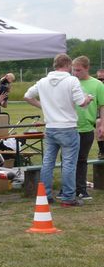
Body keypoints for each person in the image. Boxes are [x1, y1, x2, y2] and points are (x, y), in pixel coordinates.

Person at [24, 53, 93, 206]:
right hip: (68, 127)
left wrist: (44, 106)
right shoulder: (72, 80)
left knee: (48, 163)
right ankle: (68, 197)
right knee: (69, 164)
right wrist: (88, 99)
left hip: (50, 127)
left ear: (55, 65)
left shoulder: (43, 81)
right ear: (68, 65)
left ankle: (45, 195)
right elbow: (81, 102)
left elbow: (27, 96)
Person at [71, 56, 104, 200]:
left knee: (81, 159)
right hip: (69, 127)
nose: (75, 73)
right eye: (73, 70)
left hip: (87, 127)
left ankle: (81, 189)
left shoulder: (97, 84)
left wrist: (102, 124)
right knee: (68, 159)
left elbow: (102, 106)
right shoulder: (70, 82)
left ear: (87, 68)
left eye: (78, 70)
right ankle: (67, 189)